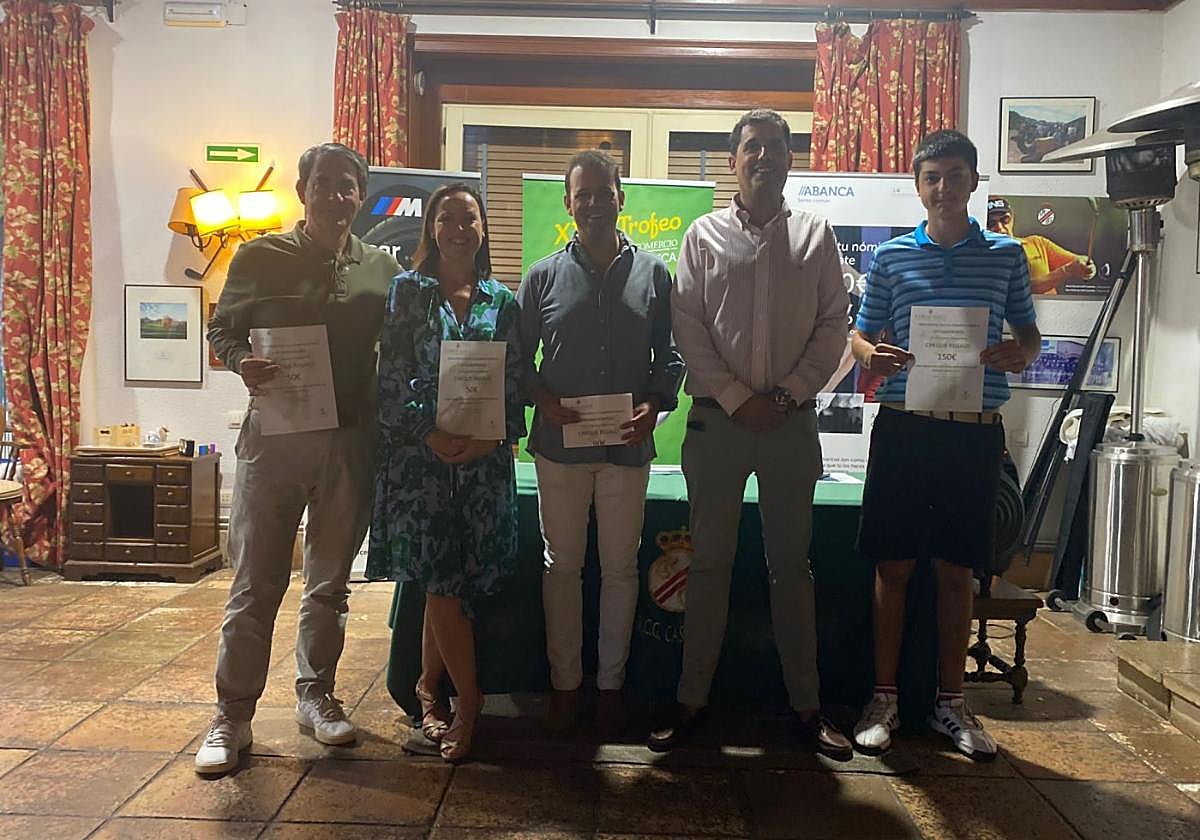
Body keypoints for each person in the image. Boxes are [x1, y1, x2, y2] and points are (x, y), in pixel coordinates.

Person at [648, 109, 852, 758]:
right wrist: (740, 401)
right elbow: (689, 328)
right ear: (732, 161)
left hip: (791, 426)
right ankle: (690, 701)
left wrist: (786, 396)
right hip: (718, 425)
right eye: (752, 147)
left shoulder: (817, 236)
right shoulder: (701, 237)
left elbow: (833, 328)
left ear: (792, 160)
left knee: (792, 567)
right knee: (707, 565)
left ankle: (807, 706)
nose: (764, 156)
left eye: (777, 147)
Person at [199, 143, 399, 775]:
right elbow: (220, 333)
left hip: (351, 440)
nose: (337, 196)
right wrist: (239, 363)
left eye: (349, 187)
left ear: (360, 195)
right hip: (277, 439)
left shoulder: (381, 268)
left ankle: (316, 694)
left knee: (330, 583)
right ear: (303, 189)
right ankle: (232, 716)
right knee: (257, 581)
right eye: (326, 184)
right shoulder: (260, 257)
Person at [850, 131, 1041, 762]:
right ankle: (884, 698)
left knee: (958, 570)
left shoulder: (1007, 255)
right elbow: (861, 336)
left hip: (972, 431)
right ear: (917, 183)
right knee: (894, 566)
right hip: (906, 425)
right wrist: (870, 354)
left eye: (955, 175)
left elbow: (1029, 335)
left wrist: (1023, 352)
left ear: (973, 181)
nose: (943, 188)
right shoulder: (893, 257)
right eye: (932, 176)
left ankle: (952, 703)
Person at [517, 150, 685, 739]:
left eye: (603, 191)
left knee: (619, 570)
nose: (593, 202)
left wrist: (656, 405)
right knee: (561, 567)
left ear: (622, 198)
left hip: (626, 449)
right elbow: (518, 361)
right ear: (568, 203)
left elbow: (673, 353)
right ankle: (566, 688)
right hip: (559, 449)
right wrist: (541, 398)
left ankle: (610, 689)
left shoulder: (655, 274)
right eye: (582, 193)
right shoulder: (539, 276)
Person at [366, 182, 525, 763]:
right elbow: (392, 379)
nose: (459, 227)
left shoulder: (501, 300)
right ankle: (471, 702)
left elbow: (512, 384)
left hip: (482, 465)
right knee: (440, 582)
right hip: (421, 463)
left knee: (449, 584)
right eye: (447, 217)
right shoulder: (407, 293)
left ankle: (428, 688)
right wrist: (428, 433)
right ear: (430, 227)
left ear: (483, 229)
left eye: (470, 218)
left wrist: (488, 439)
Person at [986, 197, 1096, 296]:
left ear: (1012, 219)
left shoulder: (1037, 243)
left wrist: (1086, 265)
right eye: (991, 223)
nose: (999, 228)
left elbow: (1076, 261)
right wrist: (1067, 270)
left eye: (1005, 219)